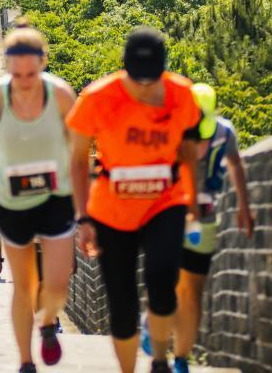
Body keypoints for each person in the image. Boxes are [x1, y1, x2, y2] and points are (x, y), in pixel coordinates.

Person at [66, 26, 202, 373]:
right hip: (112, 209)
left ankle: (159, 361)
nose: (144, 87)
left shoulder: (182, 94)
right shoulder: (97, 97)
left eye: (151, 79)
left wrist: (193, 200)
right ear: (124, 67)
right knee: (122, 303)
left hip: (165, 201)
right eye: (137, 78)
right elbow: (77, 161)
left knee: (162, 278)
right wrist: (83, 218)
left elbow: (188, 151)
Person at [0, 22, 78, 373]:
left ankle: (46, 320)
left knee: (57, 283)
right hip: (12, 200)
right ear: (7, 67)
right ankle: (26, 361)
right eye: (17, 75)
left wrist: (82, 202)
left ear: (43, 62)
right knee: (25, 285)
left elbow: (79, 148)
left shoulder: (60, 95)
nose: (25, 81)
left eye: (31, 73)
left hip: (55, 197)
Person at [160, 83, 254, 373]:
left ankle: (180, 356)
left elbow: (235, 165)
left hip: (198, 218)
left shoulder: (221, 132)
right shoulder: (177, 129)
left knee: (189, 290)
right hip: (173, 216)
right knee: (169, 284)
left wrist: (244, 206)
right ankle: (161, 336)